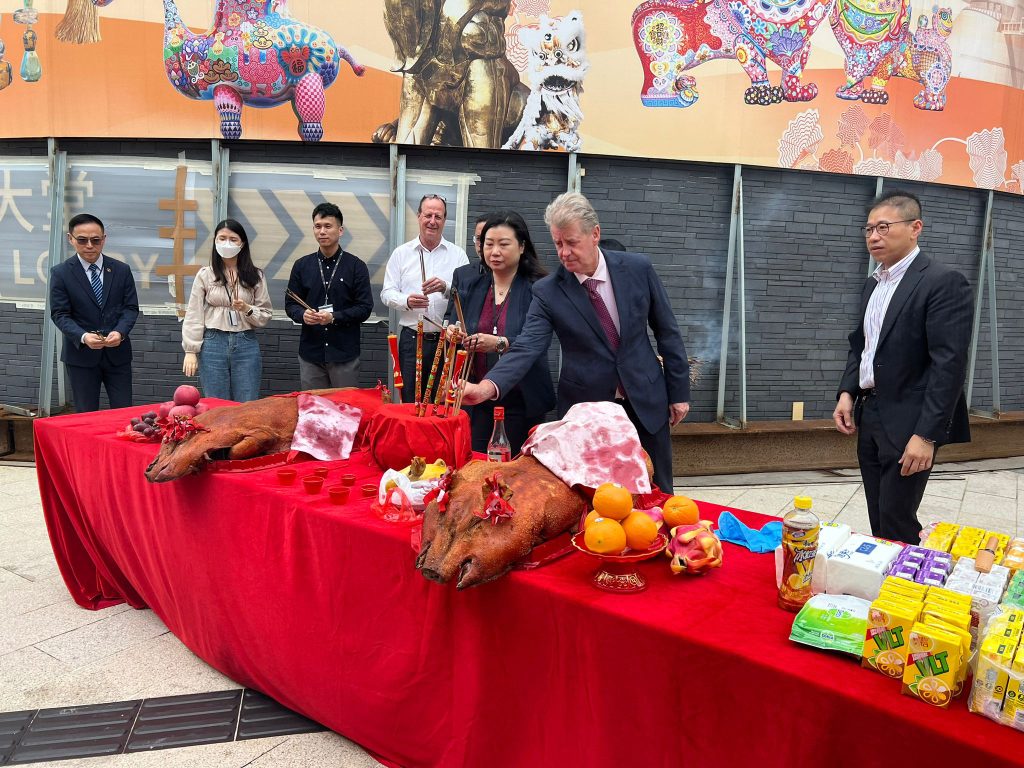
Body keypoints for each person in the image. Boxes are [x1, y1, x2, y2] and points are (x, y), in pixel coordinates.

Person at [461, 193, 690, 492]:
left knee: (657, 491)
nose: (564, 252)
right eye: (558, 243)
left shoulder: (637, 269)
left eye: (571, 242)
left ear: (595, 234)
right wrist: (486, 388)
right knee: (594, 498)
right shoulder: (548, 291)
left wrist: (678, 393)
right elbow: (528, 346)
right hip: (586, 410)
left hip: (645, 399)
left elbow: (667, 332)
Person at [833, 190, 972, 544]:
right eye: (868, 229)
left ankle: (907, 575)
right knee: (878, 511)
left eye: (883, 227)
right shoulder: (873, 284)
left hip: (912, 419)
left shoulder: (942, 281)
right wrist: (848, 392)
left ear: (915, 227)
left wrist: (927, 436)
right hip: (871, 412)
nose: (873, 236)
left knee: (897, 516)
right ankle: (884, 571)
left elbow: (949, 364)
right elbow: (862, 344)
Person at [446, 211, 555, 453]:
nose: (494, 252)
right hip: (477, 398)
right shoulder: (473, 285)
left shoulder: (539, 288)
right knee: (476, 461)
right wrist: (454, 333)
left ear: (522, 246)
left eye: (503, 244)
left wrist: (499, 342)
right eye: (489, 244)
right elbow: (455, 323)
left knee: (516, 467)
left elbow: (536, 342)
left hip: (522, 398)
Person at [381, 194, 469, 402]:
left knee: (443, 401)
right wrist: (407, 301)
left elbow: (468, 294)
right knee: (411, 399)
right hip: (412, 339)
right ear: (418, 216)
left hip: (446, 340)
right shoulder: (401, 253)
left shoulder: (457, 255)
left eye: (438, 216)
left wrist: (446, 288)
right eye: (428, 215)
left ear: (444, 220)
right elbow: (386, 293)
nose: (432, 221)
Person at [49, 213, 139, 412]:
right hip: (81, 357)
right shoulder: (61, 273)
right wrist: (83, 336)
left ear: (104, 239)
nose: (89, 245)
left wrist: (120, 332)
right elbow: (60, 314)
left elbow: (130, 308)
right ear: (70, 239)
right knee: (86, 414)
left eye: (95, 240)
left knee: (123, 412)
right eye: (82, 240)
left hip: (117, 355)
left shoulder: (121, 270)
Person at [181, 219, 272, 402]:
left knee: (247, 403)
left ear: (242, 243)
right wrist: (190, 350)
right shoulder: (205, 274)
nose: (227, 243)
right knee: (216, 403)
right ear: (215, 241)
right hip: (213, 341)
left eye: (233, 239)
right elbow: (194, 313)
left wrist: (247, 309)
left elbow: (265, 314)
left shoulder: (256, 275)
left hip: (245, 342)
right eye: (222, 238)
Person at [285, 203, 374, 390]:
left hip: (344, 354)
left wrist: (334, 317)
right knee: (314, 406)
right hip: (311, 354)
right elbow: (290, 304)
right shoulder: (301, 265)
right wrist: (302, 315)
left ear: (340, 230)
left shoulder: (356, 266)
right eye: (317, 226)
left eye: (328, 226)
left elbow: (365, 308)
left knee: (344, 405)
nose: (322, 231)